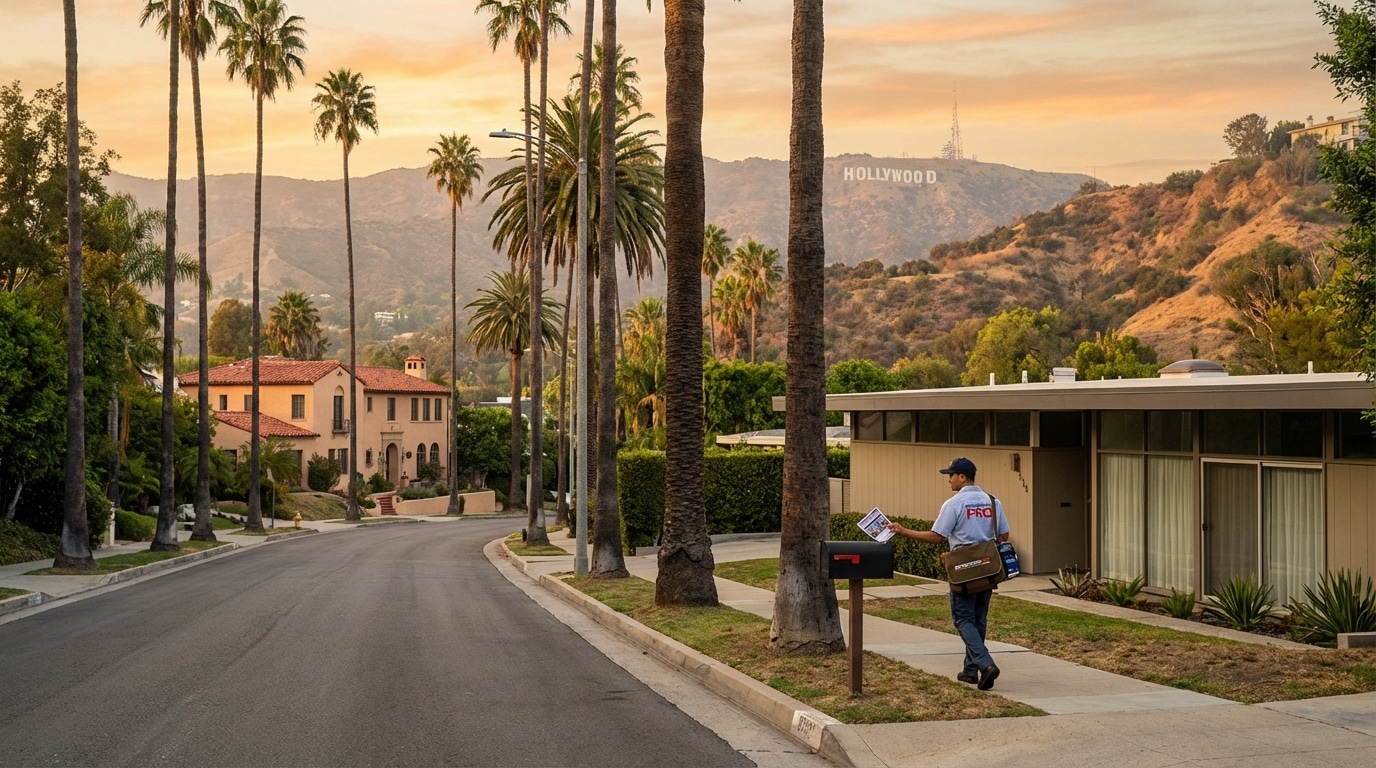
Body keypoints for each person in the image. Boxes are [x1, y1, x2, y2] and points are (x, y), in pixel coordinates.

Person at [885, 456, 1010, 690]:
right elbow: (1003, 536)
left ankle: (985, 664)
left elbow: (937, 537)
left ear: (962, 477)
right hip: (989, 568)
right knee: (978, 618)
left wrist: (902, 531)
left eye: (950, 475)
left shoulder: (954, 504)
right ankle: (970, 671)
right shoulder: (993, 502)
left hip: (963, 571)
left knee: (963, 618)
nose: (949, 480)